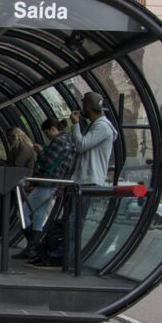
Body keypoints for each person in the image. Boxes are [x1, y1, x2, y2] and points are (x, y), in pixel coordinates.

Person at [30, 92, 117, 269]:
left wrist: (76, 125)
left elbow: (81, 144)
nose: (81, 109)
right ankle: (55, 253)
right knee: (69, 220)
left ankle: (62, 257)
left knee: (74, 222)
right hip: (80, 180)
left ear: (88, 108)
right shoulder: (96, 125)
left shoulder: (103, 127)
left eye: (83, 105)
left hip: (89, 181)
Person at [14, 118, 76, 260]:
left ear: (53, 129)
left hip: (47, 183)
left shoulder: (59, 141)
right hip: (53, 183)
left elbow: (48, 162)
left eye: (47, 133)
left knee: (22, 213)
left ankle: (33, 246)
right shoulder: (68, 141)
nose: (47, 136)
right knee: (39, 216)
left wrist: (40, 151)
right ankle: (34, 247)